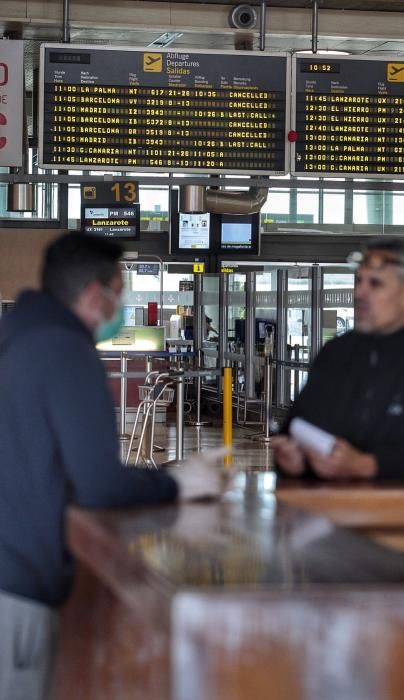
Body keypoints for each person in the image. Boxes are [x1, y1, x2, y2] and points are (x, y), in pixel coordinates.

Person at [0, 233, 220, 700]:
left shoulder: (14, 334)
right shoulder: (65, 350)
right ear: (96, 295)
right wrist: (177, 483)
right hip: (14, 588)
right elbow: (100, 485)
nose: (120, 307)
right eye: (120, 293)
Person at [273, 237, 404, 483]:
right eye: (358, 281)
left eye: (375, 284)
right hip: (331, 512)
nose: (359, 292)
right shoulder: (336, 352)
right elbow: (298, 425)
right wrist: (295, 462)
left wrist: (365, 465)